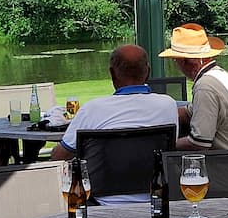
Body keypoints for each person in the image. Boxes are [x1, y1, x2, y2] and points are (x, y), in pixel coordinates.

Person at [52, 45, 181, 200]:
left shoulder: (93, 109)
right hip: (157, 198)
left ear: (112, 74)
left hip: (99, 202)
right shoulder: (168, 105)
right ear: (148, 72)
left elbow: (59, 156)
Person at [163, 24, 228, 151]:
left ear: (185, 61)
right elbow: (189, 113)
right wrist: (159, 113)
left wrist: (161, 145)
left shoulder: (205, 86)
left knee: (165, 164)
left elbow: (198, 144)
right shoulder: (220, 75)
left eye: (175, 60)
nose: (176, 64)